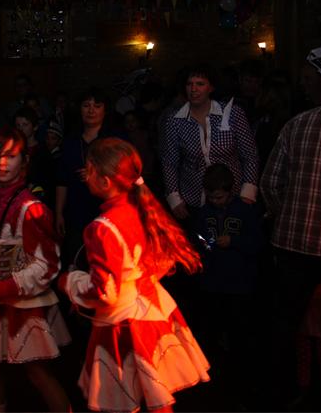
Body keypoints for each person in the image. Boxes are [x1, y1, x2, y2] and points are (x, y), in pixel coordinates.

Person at [59, 138, 209, 412]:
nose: (85, 177)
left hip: (123, 325)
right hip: (154, 311)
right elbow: (163, 260)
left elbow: (106, 292)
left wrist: (70, 282)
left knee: (123, 401)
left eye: (89, 171)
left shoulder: (102, 228)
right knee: (156, 396)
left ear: (105, 181)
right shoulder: (142, 208)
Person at [261, 45, 321, 411]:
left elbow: (269, 184)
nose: (304, 86)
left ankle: (279, 396)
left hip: (293, 244)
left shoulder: (296, 124)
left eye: (309, 80)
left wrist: (289, 215)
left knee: (284, 325)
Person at [0, 126, 70, 413]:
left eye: (10, 156)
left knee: (37, 373)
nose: (2, 163)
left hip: (26, 305)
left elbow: (48, 265)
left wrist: (6, 286)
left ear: (24, 160)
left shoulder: (31, 208)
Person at [161, 65, 259, 225]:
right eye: (189, 84)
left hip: (232, 197)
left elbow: (250, 155)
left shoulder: (232, 114)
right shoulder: (175, 120)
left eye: (200, 84)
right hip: (193, 199)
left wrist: (248, 191)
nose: (193, 89)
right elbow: (169, 162)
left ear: (211, 87)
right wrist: (174, 198)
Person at [196, 163, 261, 404]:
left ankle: (241, 382)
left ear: (230, 191)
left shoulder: (245, 212)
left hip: (239, 285)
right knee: (213, 332)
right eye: (211, 197)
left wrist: (234, 242)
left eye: (220, 197)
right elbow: (198, 239)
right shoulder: (203, 213)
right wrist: (207, 245)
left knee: (239, 334)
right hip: (212, 283)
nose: (216, 201)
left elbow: (257, 244)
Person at [55, 86, 122, 269]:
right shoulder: (71, 141)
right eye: (86, 105)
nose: (91, 110)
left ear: (105, 110)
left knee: (105, 263)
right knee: (76, 263)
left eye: (97, 106)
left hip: (107, 211)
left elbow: (126, 175)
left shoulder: (115, 139)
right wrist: (59, 213)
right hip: (76, 211)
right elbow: (62, 179)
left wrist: (98, 175)